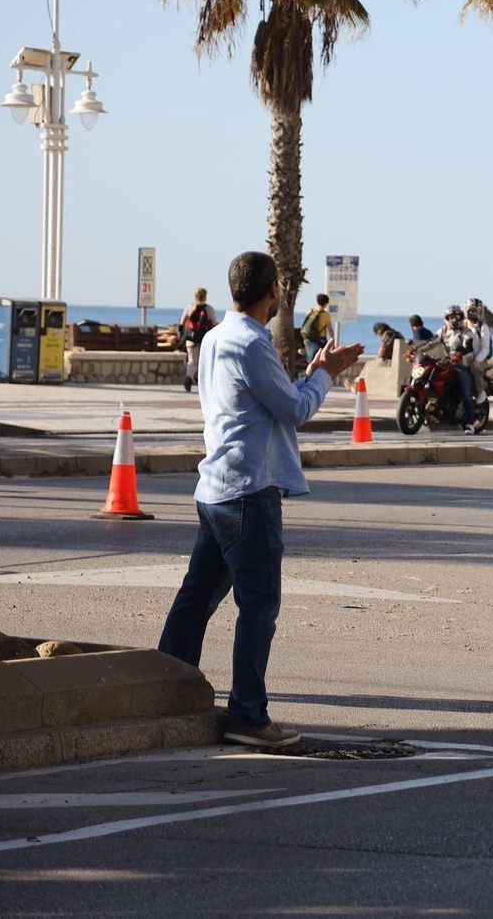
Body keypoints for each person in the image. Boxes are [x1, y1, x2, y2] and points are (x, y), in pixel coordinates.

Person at [157, 251, 364, 748]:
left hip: (216, 489)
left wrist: (311, 373)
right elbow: (293, 410)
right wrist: (325, 376)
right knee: (258, 607)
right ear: (273, 290)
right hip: (250, 493)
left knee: (195, 599)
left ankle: (161, 691)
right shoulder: (252, 342)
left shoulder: (214, 338)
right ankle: (248, 715)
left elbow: (259, 401)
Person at [434, 304, 480, 433]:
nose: (454, 319)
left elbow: (468, 345)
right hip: (446, 364)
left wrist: (460, 353)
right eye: (451, 317)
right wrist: (416, 350)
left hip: (462, 365)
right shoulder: (443, 331)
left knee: (466, 393)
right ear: (447, 318)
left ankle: (470, 423)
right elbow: (431, 342)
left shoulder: (466, 331)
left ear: (461, 317)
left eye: (457, 316)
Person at [179, 288, 217, 393]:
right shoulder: (209, 309)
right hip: (204, 340)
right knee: (203, 361)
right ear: (205, 297)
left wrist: (182, 337)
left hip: (190, 339)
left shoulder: (189, 308)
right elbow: (213, 324)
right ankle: (201, 381)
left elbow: (181, 324)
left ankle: (189, 377)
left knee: (192, 360)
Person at [465, 298, 493, 402]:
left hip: (478, 359)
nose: (474, 313)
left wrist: (477, 360)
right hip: (462, 358)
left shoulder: (482, 327)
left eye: (477, 310)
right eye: (472, 310)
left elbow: (485, 348)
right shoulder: (461, 325)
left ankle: (481, 392)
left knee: (474, 368)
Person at [300, 293, 332, 364]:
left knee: (310, 361)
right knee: (321, 360)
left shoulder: (310, 311)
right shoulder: (326, 315)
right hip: (320, 340)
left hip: (309, 339)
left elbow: (305, 325)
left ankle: (310, 374)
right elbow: (330, 329)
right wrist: (332, 340)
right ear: (326, 303)